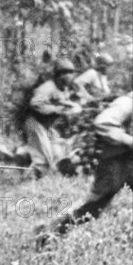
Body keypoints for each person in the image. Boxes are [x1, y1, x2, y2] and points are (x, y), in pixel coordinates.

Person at [36, 92, 132, 247]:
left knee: (94, 206)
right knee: (93, 206)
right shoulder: (126, 103)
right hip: (116, 163)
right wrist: (128, 140)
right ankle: (48, 232)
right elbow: (103, 123)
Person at [24, 58, 83, 177]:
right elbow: (35, 104)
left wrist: (69, 106)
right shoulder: (47, 88)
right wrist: (57, 110)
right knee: (42, 158)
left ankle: (48, 176)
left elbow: (60, 101)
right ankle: (28, 181)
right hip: (35, 123)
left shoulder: (63, 88)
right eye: (68, 73)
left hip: (47, 126)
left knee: (58, 152)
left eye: (72, 73)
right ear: (60, 75)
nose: (71, 76)